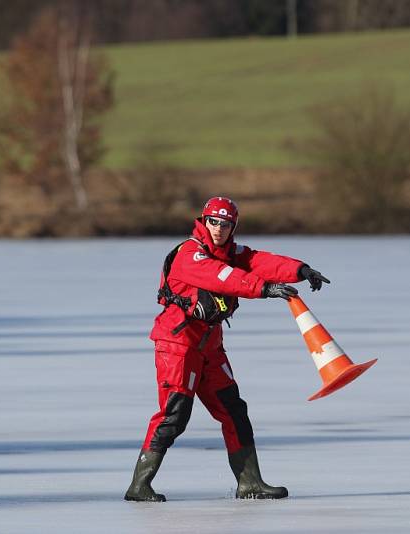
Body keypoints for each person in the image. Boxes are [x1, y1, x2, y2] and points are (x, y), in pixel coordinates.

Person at [125, 196, 330, 502]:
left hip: (210, 347)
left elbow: (260, 261)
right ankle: (139, 486)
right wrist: (264, 289)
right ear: (204, 221)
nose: (219, 229)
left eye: (226, 224)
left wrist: (301, 270)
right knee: (174, 415)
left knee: (234, 410)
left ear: (234, 226)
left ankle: (250, 483)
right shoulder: (190, 254)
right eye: (214, 222)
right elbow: (223, 278)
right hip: (178, 346)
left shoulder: (231, 252)